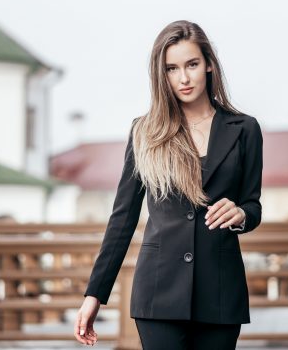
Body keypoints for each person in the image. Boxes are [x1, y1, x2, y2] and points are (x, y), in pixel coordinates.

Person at [73, 20, 263, 349]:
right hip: (158, 293)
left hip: (219, 292)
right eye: (172, 69)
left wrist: (241, 215)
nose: (184, 78)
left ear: (208, 65)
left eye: (191, 64)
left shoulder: (244, 129)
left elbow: (253, 205)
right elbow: (122, 218)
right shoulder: (144, 132)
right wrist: (95, 295)